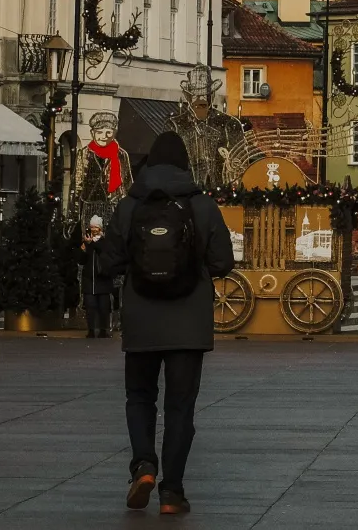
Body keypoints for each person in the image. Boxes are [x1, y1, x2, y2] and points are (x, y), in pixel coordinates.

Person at [97, 130, 235, 515]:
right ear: (184, 164)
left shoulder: (129, 206)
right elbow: (223, 262)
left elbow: (109, 263)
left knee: (140, 397)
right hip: (189, 325)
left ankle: (143, 464)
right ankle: (172, 493)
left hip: (141, 320)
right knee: (179, 408)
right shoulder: (203, 205)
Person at [81, 215, 116, 338]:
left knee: (103, 307)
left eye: (95, 227)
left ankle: (103, 330)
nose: (93, 230)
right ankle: (91, 330)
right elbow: (82, 260)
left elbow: (104, 251)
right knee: (90, 307)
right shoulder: (87, 242)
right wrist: (84, 250)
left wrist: (92, 244)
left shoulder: (105, 242)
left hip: (103, 279)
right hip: (90, 280)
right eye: (91, 227)